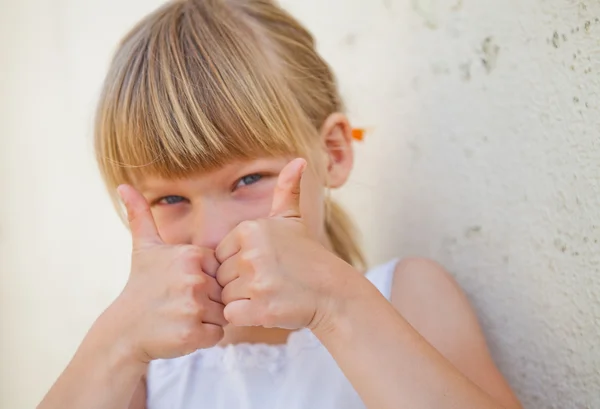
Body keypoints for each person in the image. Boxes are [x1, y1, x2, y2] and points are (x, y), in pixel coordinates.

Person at [38, 1, 523, 408]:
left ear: (332, 153)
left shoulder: (406, 297)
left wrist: (337, 304)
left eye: (249, 179)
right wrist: (115, 345)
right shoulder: (149, 367)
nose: (211, 234)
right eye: (169, 198)